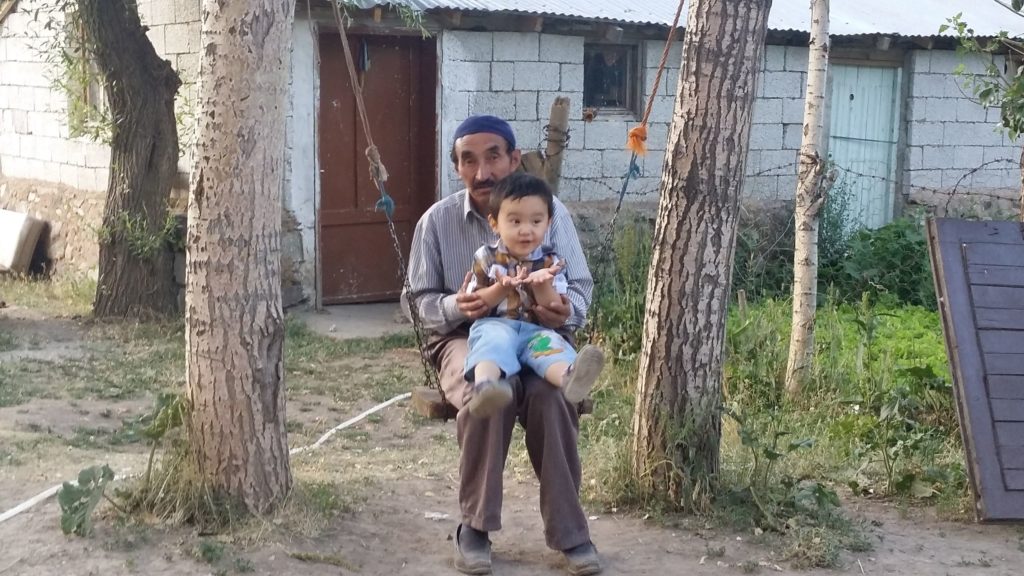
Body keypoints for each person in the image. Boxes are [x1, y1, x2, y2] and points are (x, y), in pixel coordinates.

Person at [403, 115, 602, 576]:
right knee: (487, 396)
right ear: (457, 167)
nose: (481, 171)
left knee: (552, 398)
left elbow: (581, 290)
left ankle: (571, 534)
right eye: (468, 161)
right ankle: (474, 527)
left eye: (493, 156)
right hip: (463, 337)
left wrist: (563, 311)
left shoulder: (551, 213)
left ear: (513, 159)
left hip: (538, 332)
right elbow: (417, 302)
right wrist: (459, 305)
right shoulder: (436, 222)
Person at [462, 172, 605, 419]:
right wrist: (502, 288)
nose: (526, 231)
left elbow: (554, 308)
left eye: (536, 222)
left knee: (550, 348)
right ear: (494, 223)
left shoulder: (551, 261)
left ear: (548, 222)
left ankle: (569, 380)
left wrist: (543, 284)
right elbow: (477, 301)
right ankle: (485, 387)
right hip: (497, 324)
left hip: (535, 332)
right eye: (515, 222)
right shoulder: (486, 257)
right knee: (491, 344)